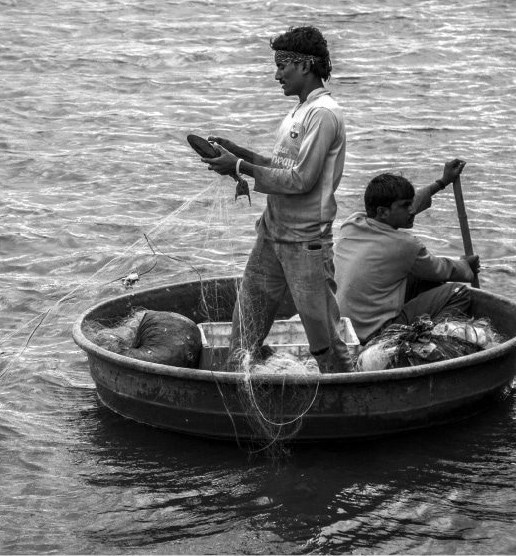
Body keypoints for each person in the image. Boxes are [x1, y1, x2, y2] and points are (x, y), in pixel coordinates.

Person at [201, 25, 351, 373]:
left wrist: (239, 166)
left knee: (325, 343)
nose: (277, 75)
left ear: (305, 65)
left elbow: (301, 179)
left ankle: (347, 391)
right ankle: (235, 386)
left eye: (282, 65)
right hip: (271, 236)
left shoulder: (323, 113)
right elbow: (281, 166)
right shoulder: (298, 111)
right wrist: (238, 153)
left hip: (305, 243)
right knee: (244, 333)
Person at [333, 163, 480, 345]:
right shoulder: (405, 245)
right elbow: (442, 270)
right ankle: (432, 345)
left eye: (411, 204)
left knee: (420, 277)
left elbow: (409, 205)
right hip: (376, 335)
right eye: (405, 206)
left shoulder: (352, 223)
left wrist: (442, 182)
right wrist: (466, 265)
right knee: (458, 292)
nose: (411, 210)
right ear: (382, 212)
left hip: (344, 328)